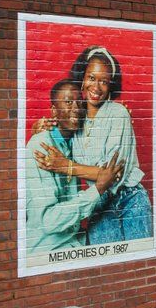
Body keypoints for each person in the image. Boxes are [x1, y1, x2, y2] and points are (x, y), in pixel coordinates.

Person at [34, 46, 153, 243]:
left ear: (110, 86)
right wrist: (39, 129)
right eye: (91, 78)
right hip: (97, 202)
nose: (96, 87)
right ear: (82, 78)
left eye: (104, 81)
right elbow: (58, 145)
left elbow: (113, 174)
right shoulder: (74, 119)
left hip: (130, 200)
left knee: (139, 261)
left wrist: (65, 166)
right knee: (105, 267)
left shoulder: (118, 113)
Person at [25, 80, 123, 255]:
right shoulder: (42, 147)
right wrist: (98, 189)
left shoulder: (75, 144)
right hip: (49, 250)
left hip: (77, 243)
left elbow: (113, 171)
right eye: (68, 102)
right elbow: (49, 221)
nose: (77, 108)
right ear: (54, 110)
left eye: (80, 102)